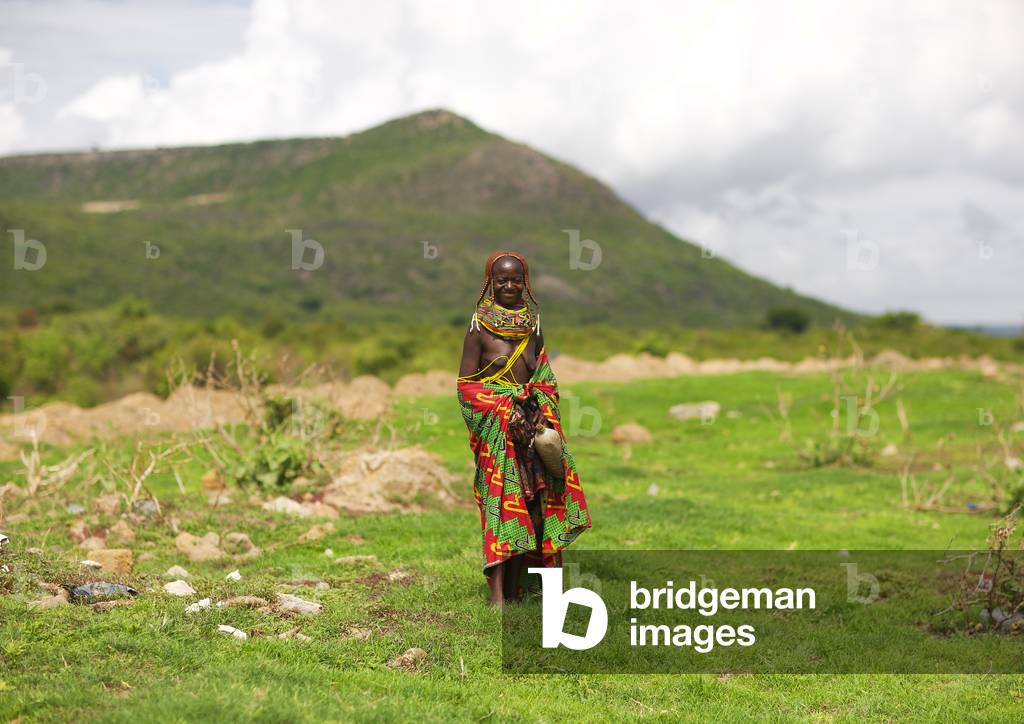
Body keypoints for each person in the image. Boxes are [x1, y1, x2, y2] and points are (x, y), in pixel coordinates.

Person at [456, 251, 591, 607]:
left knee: (533, 505)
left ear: (525, 283)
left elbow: (544, 378)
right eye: (502, 280)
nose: (510, 286)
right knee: (503, 507)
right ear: (490, 283)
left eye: (516, 279)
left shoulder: (533, 326)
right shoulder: (478, 329)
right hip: (499, 433)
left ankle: (520, 589)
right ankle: (498, 596)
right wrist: (504, 408)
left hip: (531, 428)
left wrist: (541, 412)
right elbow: (466, 388)